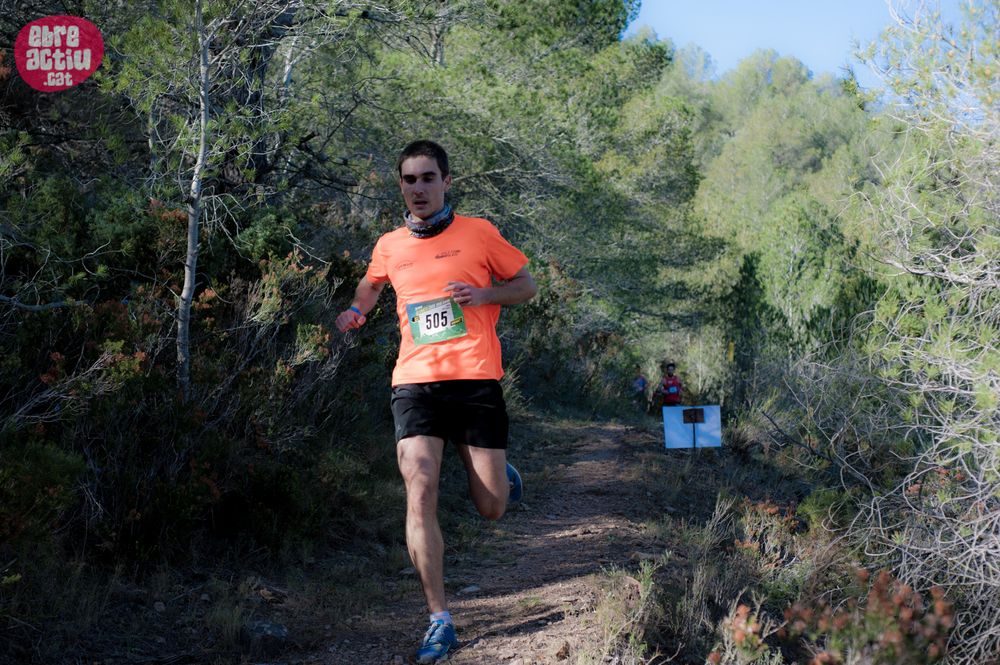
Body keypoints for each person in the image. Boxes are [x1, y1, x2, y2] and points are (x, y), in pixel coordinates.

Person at [335, 140, 537, 664]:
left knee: (491, 507)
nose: (418, 188)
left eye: (428, 178)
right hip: (415, 383)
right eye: (410, 180)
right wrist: (357, 310)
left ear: (447, 181)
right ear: (401, 185)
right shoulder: (390, 244)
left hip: (474, 379)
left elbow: (526, 284)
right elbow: (370, 285)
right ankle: (439, 620)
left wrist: (485, 295)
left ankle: (500, 473)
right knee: (419, 486)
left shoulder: (479, 232)